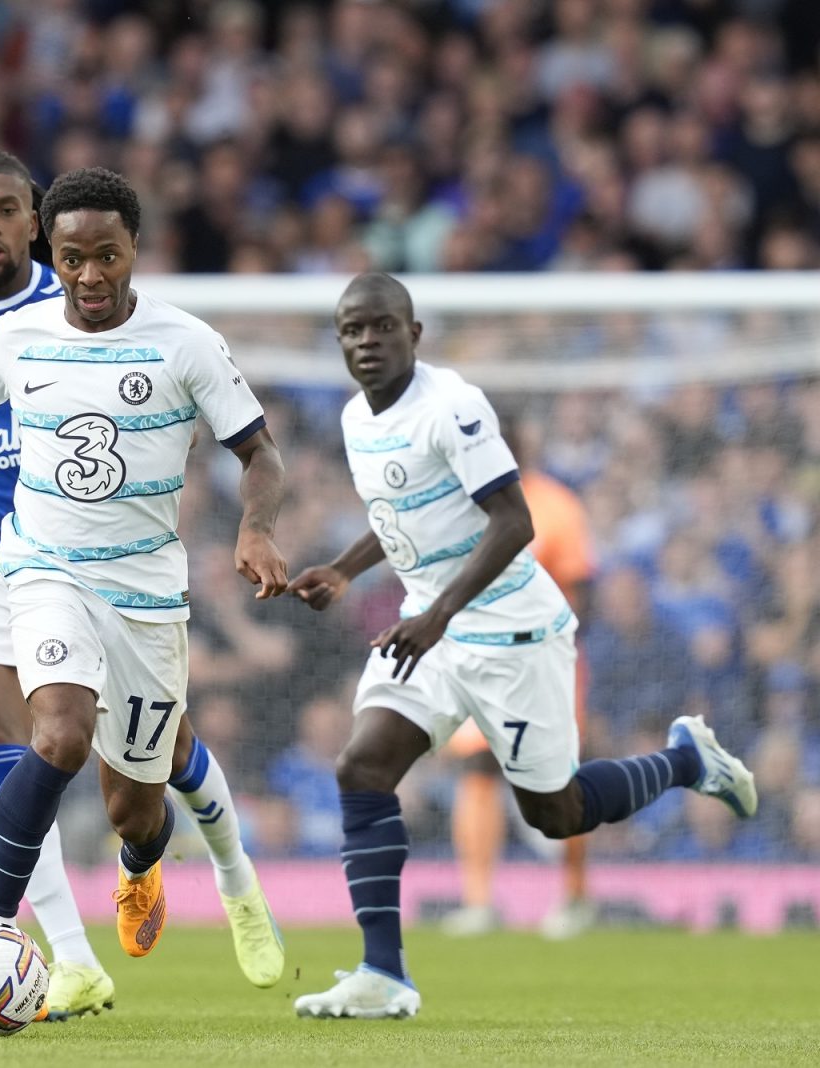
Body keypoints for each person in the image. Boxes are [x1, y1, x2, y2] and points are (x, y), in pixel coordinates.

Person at [0, 166, 289, 987]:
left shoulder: (186, 342)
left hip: (146, 591)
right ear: (51, 254)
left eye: (107, 257)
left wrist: (256, 528)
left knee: (135, 808)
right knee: (56, 734)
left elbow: (259, 453)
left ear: (135, 250)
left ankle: (151, 865)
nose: (90, 275)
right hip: (42, 568)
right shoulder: (16, 337)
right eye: (73, 258)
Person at [287, 273, 758, 1020]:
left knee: (556, 814)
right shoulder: (354, 418)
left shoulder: (453, 406)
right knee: (361, 765)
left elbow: (514, 522)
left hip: (511, 633)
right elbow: (404, 513)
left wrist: (439, 614)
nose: (367, 341)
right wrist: (346, 569)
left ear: (414, 334)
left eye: (383, 327)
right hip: (430, 628)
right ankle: (382, 973)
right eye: (353, 330)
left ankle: (686, 761)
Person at [441, 412, 598, 940]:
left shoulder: (555, 506)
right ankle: (478, 901)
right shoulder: (459, 506)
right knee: (478, 770)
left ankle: (574, 895)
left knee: (554, 777)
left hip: (543, 662)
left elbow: (582, 593)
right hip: (479, 662)